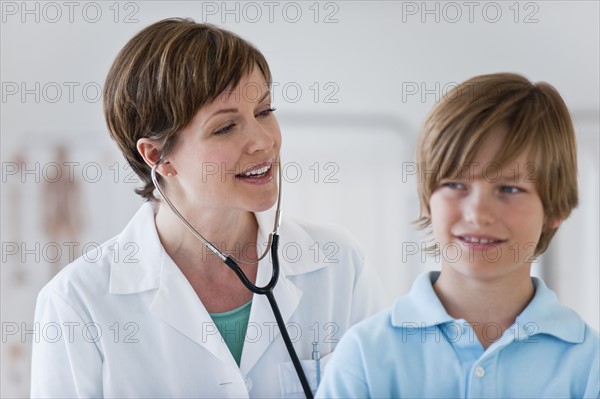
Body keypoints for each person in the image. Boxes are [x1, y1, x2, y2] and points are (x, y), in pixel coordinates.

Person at [30, 18, 381, 398]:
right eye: (225, 128)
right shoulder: (78, 303)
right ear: (158, 156)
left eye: (264, 111)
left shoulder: (338, 265)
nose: (263, 142)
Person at [316, 73, 600, 398]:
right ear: (426, 200)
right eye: (455, 185)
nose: (477, 213)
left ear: (554, 209)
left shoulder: (589, 364)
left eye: (509, 188)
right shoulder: (365, 356)